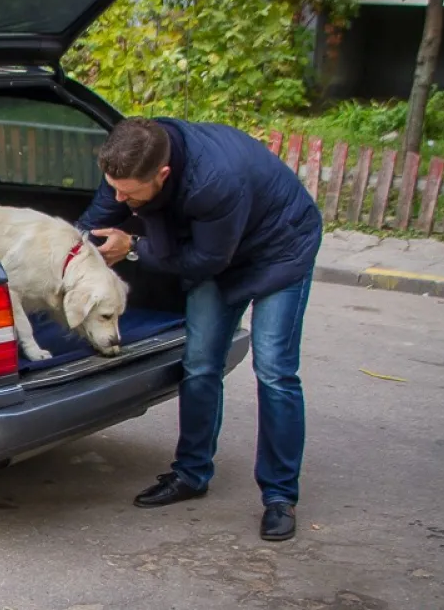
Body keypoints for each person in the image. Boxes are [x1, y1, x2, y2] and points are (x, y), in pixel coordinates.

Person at [75, 117, 322, 542]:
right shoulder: (131, 155)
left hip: (279, 248)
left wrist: (132, 248)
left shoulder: (215, 181)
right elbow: (97, 219)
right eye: (113, 186)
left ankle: (280, 496)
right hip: (219, 242)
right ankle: (191, 474)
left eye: (129, 193)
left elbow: (206, 262)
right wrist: (69, 254)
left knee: (275, 371)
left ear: (163, 175)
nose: (119, 198)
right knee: (200, 363)